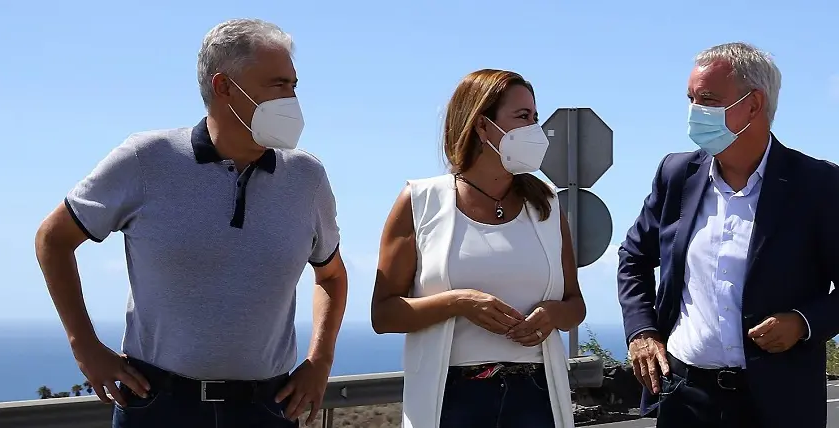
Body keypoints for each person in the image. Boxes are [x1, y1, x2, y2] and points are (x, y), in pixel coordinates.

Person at [34, 19, 348, 428]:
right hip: (158, 407)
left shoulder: (307, 177)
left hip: (266, 409)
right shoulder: (145, 159)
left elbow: (332, 276)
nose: (291, 98)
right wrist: (84, 346)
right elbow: (52, 238)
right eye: (278, 84)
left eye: (293, 85)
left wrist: (320, 361)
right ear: (224, 87)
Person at [617, 42, 839, 428]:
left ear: (753, 105)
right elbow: (633, 258)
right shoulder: (676, 175)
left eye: (707, 99)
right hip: (685, 398)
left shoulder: (818, 185)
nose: (693, 113)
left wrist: (803, 322)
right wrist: (642, 331)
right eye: (690, 98)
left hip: (777, 404)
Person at [371, 69, 585, 428]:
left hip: (535, 395)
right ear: (482, 127)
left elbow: (575, 305)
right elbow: (384, 315)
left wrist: (553, 314)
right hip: (453, 399)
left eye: (535, 117)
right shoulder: (421, 201)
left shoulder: (546, 204)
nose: (534, 129)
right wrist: (458, 302)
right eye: (522, 117)